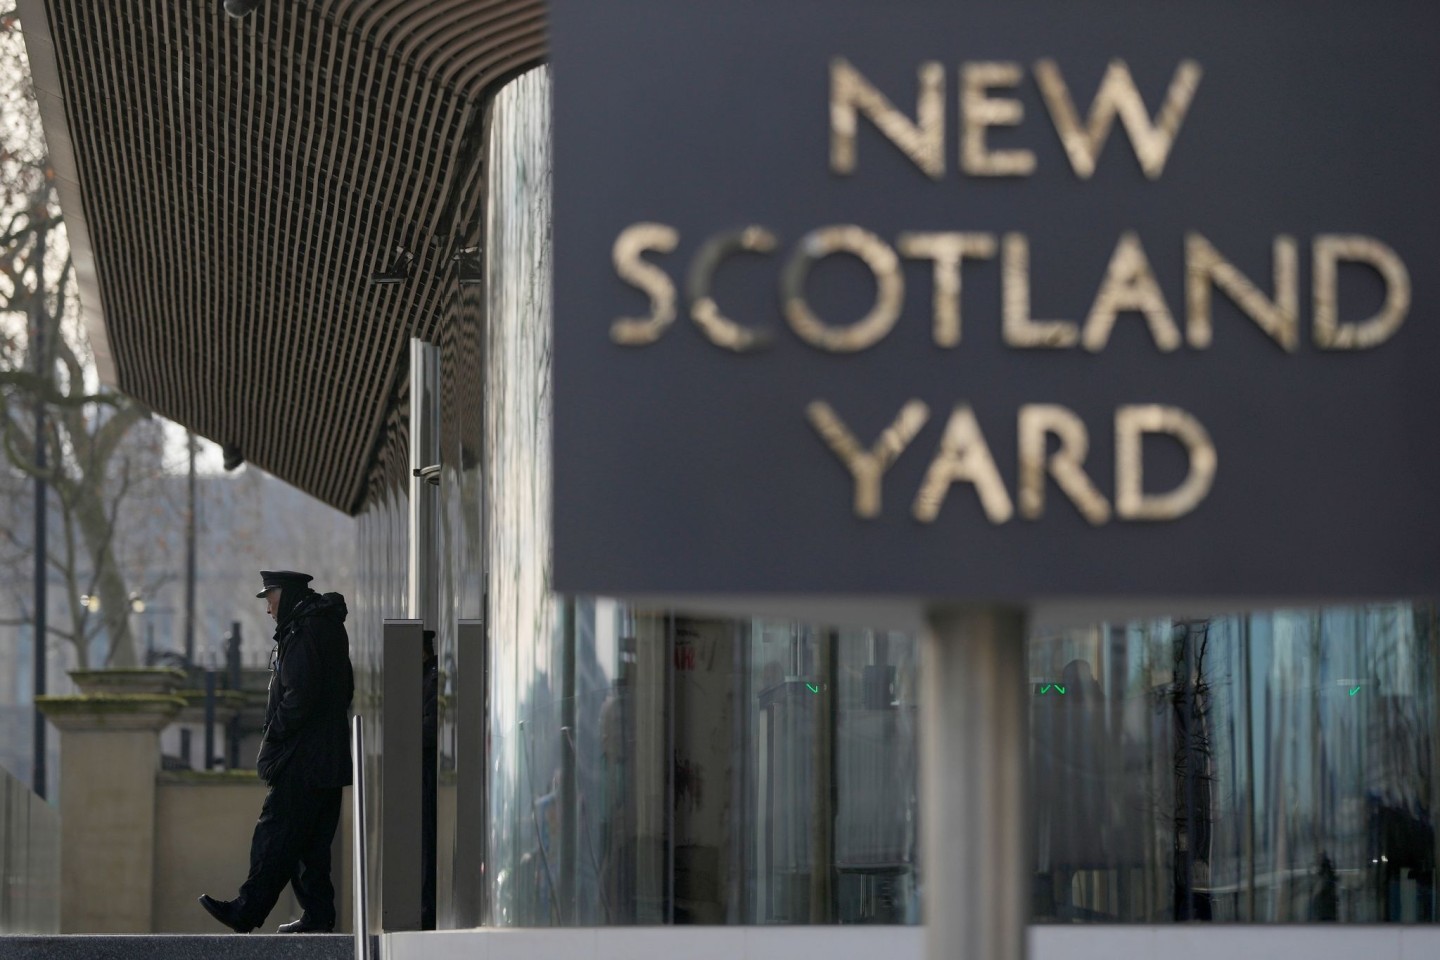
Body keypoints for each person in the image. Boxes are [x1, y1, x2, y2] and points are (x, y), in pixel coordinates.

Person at [199, 570, 354, 934]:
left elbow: (297, 697)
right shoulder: (322, 627)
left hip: (302, 758)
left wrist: (274, 740)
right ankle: (317, 915)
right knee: (309, 844)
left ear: (286, 594)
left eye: (270, 598)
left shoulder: (304, 631)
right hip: (325, 759)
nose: (268, 608)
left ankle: (247, 910)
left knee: (275, 834)